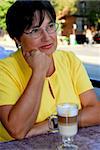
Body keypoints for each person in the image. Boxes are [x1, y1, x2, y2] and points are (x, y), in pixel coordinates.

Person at [0, 0, 100, 142]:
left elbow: (96, 111)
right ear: (17, 38)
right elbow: (18, 130)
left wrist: (51, 124)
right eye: (35, 30)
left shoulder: (69, 60)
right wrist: (38, 72)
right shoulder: (4, 70)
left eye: (50, 26)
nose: (47, 37)